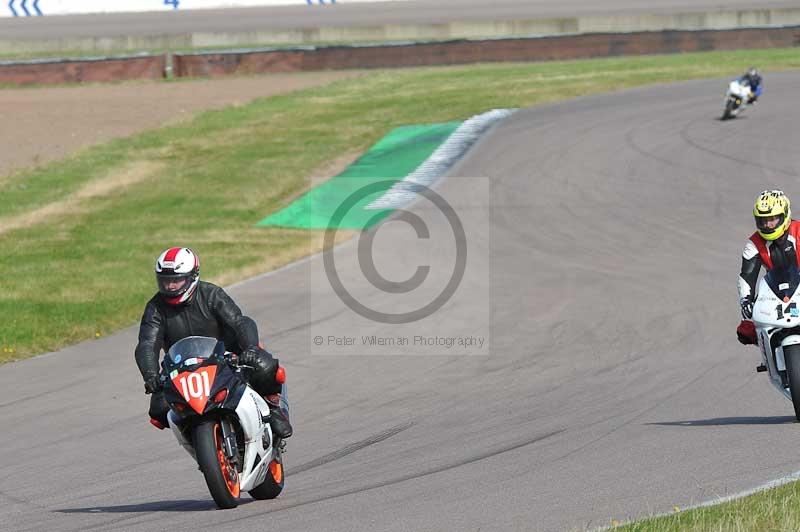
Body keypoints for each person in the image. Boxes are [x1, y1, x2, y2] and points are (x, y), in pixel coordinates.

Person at [134, 247, 292, 438]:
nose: (170, 287)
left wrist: (249, 348)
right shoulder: (155, 308)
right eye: (165, 281)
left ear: (193, 276)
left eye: (176, 280)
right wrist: (150, 375)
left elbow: (239, 322)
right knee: (159, 409)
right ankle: (195, 436)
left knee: (263, 365)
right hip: (182, 366)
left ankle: (272, 409)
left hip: (225, 358)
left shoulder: (211, 294)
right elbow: (147, 344)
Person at [737, 190, 800, 347]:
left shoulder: (798, 231)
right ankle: (768, 352)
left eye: (772, 220)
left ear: (785, 215)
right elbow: (747, 276)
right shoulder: (753, 244)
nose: (767, 225)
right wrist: (746, 300)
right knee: (746, 329)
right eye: (763, 221)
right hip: (775, 290)